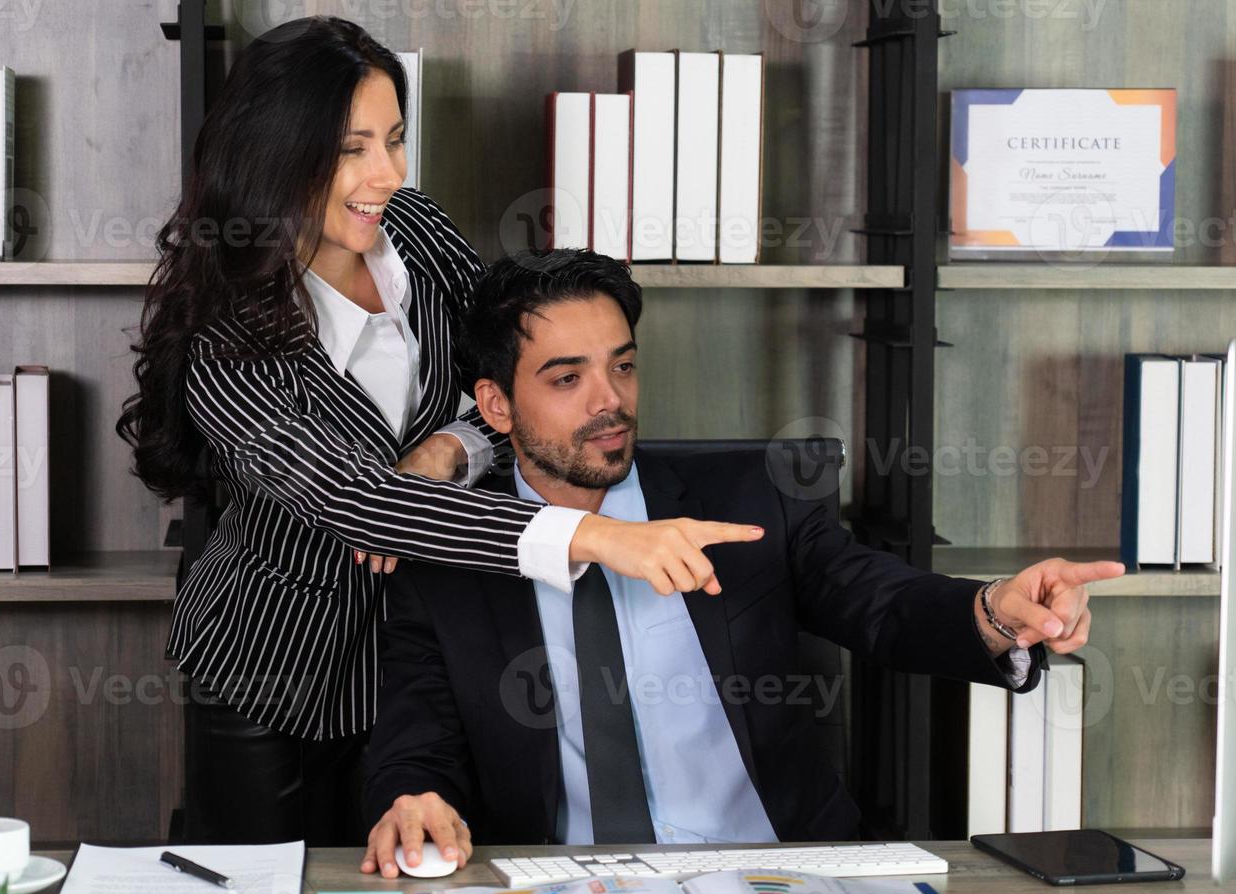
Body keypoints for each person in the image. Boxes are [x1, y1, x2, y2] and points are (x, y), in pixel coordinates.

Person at [114, 18, 760, 847]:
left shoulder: (414, 231)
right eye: (352, 149)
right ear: (277, 154)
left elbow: (504, 382)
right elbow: (357, 501)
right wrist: (598, 537)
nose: (388, 174)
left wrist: (453, 448)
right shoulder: (228, 344)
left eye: (394, 139)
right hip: (276, 670)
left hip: (434, 652)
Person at [360, 249, 1123, 876]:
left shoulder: (752, 495)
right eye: (568, 379)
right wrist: (414, 798)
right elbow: (417, 739)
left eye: (622, 367)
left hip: (779, 878)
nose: (610, 401)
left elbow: (879, 602)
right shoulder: (451, 554)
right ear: (494, 406)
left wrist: (993, 610)